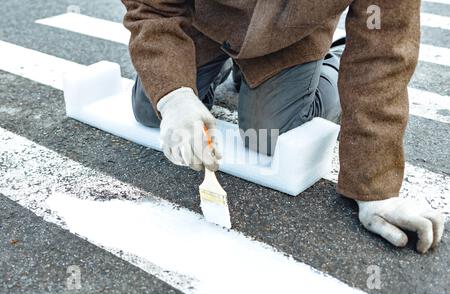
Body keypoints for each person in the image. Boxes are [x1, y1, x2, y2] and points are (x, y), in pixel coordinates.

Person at [121, 0, 444, 253]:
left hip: (289, 33)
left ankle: (337, 61)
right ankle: (223, 67)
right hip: (204, 17)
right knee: (152, 109)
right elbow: (151, 6)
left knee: (268, 134)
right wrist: (175, 96)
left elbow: (382, 50)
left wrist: (375, 186)